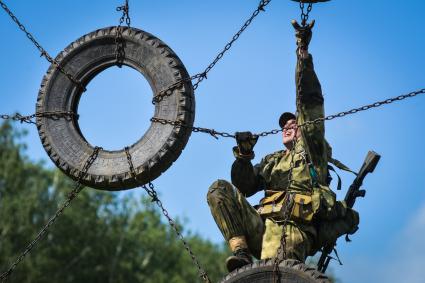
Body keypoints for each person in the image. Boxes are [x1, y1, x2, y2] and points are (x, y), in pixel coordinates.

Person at [207, 20, 359, 273]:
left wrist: (303, 54)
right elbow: (243, 186)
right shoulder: (272, 161)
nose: (287, 126)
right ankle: (241, 253)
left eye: (293, 123)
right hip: (262, 226)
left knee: (276, 272)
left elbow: (309, 102)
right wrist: (244, 155)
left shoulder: (313, 152)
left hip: (295, 229)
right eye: (284, 125)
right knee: (218, 189)